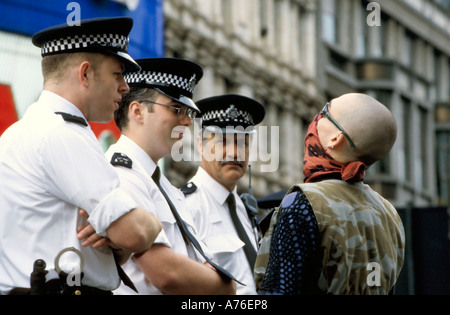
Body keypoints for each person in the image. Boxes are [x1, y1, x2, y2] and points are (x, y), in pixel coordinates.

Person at [0, 17, 162, 295]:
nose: (125, 87)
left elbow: (119, 247)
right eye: (118, 74)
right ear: (85, 73)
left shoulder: (24, 130)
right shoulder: (62, 133)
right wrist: (153, 222)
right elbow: (134, 234)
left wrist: (120, 236)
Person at [107, 58, 236, 295]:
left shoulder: (163, 184)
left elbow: (195, 262)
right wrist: (226, 287)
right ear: (137, 111)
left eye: (187, 112)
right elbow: (167, 274)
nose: (186, 121)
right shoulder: (120, 174)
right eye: (176, 109)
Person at [255, 93, 405, 295]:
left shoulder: (304, 201)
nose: (317, 118)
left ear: (336, 138)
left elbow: (279, 291)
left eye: (325, 112)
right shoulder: (390, 215)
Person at [181, 94, 265, 295]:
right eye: (223, 142)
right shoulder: (186, 206)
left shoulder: (245, 210)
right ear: (201, 145)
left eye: (242, 143)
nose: (235, 153)